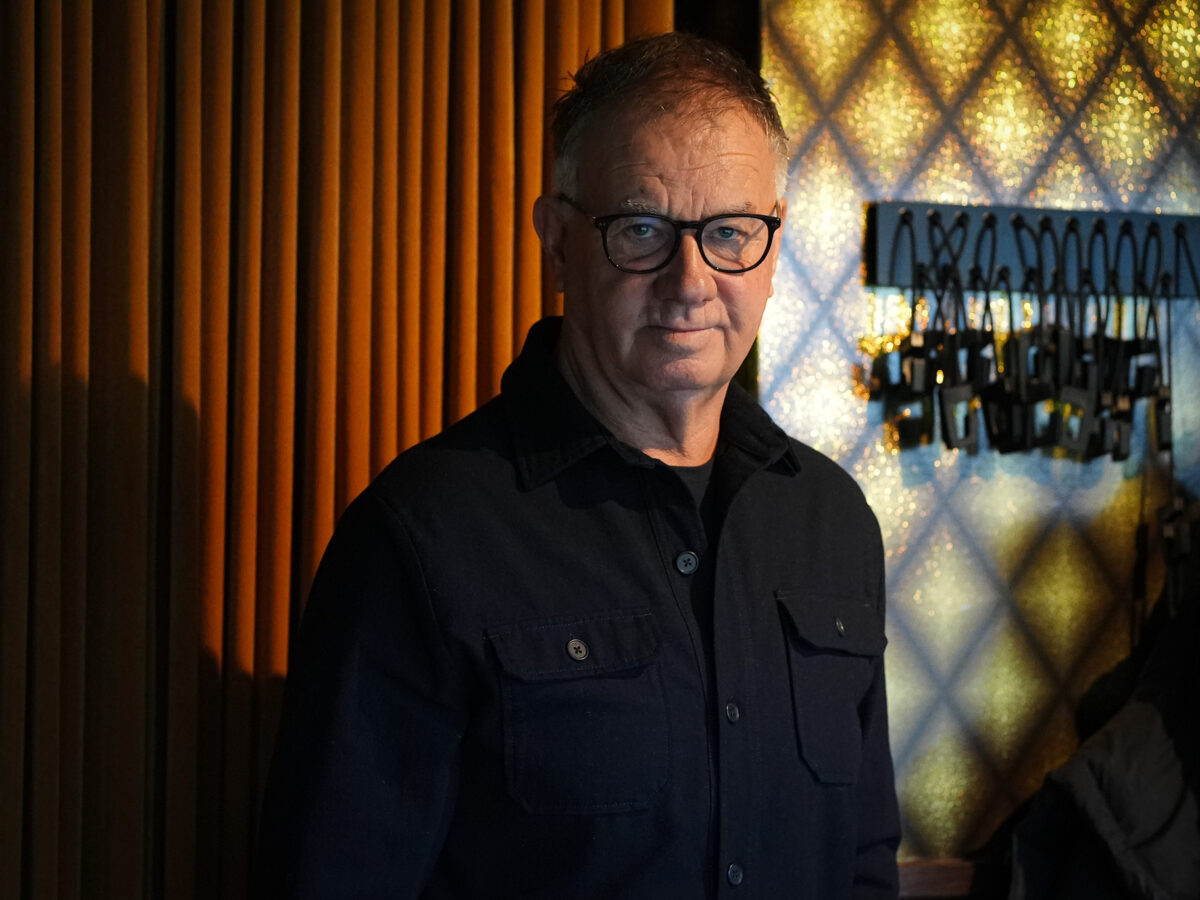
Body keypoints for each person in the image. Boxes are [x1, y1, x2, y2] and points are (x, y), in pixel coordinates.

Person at [256, 31, 900, 899]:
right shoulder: (422, 536)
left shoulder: (832, 523)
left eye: (730, 232)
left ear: (774, 250)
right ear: (558, 242)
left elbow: (861, 864)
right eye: (641, 229)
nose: (690, 281)